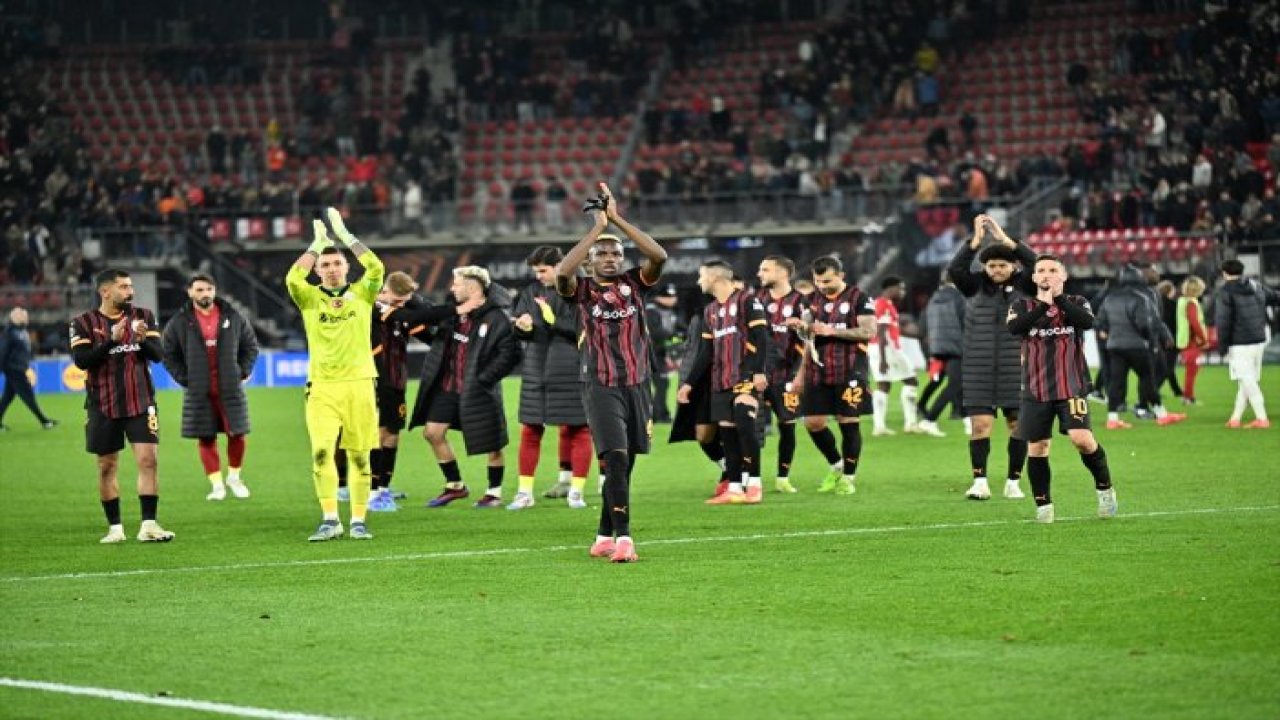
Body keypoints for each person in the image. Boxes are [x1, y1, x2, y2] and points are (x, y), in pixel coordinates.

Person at [555, 182, 668, 564]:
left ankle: (603, 535)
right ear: (590, 261)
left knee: (627, 463)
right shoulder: (581, 290)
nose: (609, 258)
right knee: (615, 460)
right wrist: (597, 229)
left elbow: (658, 255)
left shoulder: (635, 284)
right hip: (601, 385)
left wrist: (617, 220)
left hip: (637, 384)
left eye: (615, 253)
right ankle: (624, 539)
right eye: (601, 253)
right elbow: (562, 272)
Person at [285, 209, 385, 541]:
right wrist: (316, 245)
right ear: (317, 270)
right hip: (322, 387)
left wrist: (345, 236)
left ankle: (358, 520)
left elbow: (376, 267)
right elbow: (292, 279)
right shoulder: (309, 298)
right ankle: (330, 519)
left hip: (360, 384)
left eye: (336, 263)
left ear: (346, 267)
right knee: (321, 453)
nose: (331, 269)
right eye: (324, 264)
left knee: (359, 456)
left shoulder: (363, 293)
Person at [1007, 254, 1117, 524]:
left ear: (1064, 276)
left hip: (1071, 385)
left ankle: (1105, 489)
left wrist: (1058, 299)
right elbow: (1015, 328)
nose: (1046, 274)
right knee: (1038, 447)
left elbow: (1087, 322)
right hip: (1036, 389)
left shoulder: (1077, 302)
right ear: (1034, 277)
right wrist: (1044, 306)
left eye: (1053, 270)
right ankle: (1044, 505)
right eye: (1041, 270)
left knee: (1082, 440)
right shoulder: (1021, 305)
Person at [70, 269, 173, 543]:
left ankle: (149, 525)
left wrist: (141, 341)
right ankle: (115, 528)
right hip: (102, 404)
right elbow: (82, 361)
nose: (131, 291)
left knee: (149, 460)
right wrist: (111, 341)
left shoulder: (144, 316)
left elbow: (158, 355)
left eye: (131, 286)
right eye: (124, 287)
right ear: (105, 291)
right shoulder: (82, 323)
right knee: (107, 466)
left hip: (141, 401)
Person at [407, 266, 521, 508]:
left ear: (472, 287)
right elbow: (434, 322)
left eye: (456, 284)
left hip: (479, 389)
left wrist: (484, 379)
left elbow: (510, 354)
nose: (452, 288)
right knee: (432, 433)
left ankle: (494, 492)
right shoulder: (454, 312)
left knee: (492, 443)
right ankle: (455, 486)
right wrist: (410, 299)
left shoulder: (496, 317)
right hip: (448, 386)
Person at [946, 214, 1031, 502]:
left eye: (1002, 265)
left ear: (1013, 266)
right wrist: (975, 242)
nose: (996, 270)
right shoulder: (974, 285)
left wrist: (1008, 241)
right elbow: (955, 268)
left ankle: (1013, 482)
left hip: (1016, 368)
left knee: (1017, 426)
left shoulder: (1027, 285)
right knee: (980, 426)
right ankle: (980, 482)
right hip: (978, 368)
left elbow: (1037, 265)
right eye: (992, 265)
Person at [161, 273, 260, 501]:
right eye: (199, 290)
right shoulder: (179, 322)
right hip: (199, 391)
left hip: (230, 388)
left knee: (238, 434)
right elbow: (168, 354)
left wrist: (242, 371)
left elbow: (250, 346)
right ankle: (217, 485)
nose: (205, 294)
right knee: (205, 437)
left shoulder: (233, 316)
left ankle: (234, 477)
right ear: (190, 292)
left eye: (208, 289)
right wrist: (184, 378)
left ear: (214, 291)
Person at [679, 261, 769, 505]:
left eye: (701, 276)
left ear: (715, 277)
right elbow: (706, 352)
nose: (699, 281)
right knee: (728, 434)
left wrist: (758, 371)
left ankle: (755, 484)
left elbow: (761, 337)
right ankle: (735, 487)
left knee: (744, 423)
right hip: (721, 379)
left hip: (745, 374)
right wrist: (688, 383)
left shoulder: (748, 301)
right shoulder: (710, 311)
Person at [510, 246, 592, 510]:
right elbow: (520, 327)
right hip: (536, 371)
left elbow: (584, 331)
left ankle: (576, 493)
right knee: (530, 430)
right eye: (536, 271)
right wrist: (522, 327)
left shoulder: (581, 291)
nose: (539, 276)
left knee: (579, 429)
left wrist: (552, 321)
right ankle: (524, 493)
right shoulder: (531, 292)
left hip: (571, 370)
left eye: (543, 270)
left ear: (560, 266)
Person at [785, 255, 875, 496]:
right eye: (817, 281)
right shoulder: (811, 300)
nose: (822, 286)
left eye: (827, 281)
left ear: (841, 276)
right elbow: (809, 337)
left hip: (850, 368)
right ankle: (837, 465)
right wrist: (801, 328)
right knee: (813, 422)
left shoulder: (859, 298)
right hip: (819, 368)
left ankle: (848, 478)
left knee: (848, 421)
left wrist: (832, 330)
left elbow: (869, 331)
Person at [366, 271, 431, 511]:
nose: (401, 306)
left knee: (393, 433)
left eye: (404, 301)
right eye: (396, 300)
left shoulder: (403, 313)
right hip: (373, 380)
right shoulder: (371, 309)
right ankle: (372, 491)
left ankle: (384, 489)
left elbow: (429, 335)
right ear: (384, 292)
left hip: (397, 381)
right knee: (376, 433)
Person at [1095, 266, 1185, 429]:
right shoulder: (1142, 298)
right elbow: (1146, 323)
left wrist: (1105, 331)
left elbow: (1099, 321)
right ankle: (1161, 414)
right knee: (1147, 379)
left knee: (1116, 382)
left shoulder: (1110, 298)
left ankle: (1112, 419)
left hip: (1115, 346)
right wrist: (1153, 341)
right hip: (1137, 346)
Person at [754, 254, 806, 493]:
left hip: (786, 375)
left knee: (787, 425)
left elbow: (812, 341)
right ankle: (748, 478)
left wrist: (804, 327)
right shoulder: (756, 300)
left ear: (783, 273)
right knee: (747, 428)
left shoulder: (801, 303)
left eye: (765, 269)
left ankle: (783, 477)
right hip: (756, 374)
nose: (760, 274)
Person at [1216, 259, 1279, 428]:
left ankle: (1262, 418)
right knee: (1246, 381)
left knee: (1247, 380)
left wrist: (1222, 346)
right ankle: (1235, 418)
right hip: (1259, 339)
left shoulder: (1225, 292)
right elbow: (1275, 297)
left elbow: (1223, 321)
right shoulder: (1255, 285)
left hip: (1239, 342)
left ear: (1224, 273)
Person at [868, 276, 922, 436]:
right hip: (887, 349)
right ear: (891, 288)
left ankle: (879, 426)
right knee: (911, 380)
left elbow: (893, 329)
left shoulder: (882, 303)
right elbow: (882, 332)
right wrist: (883, 360)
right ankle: (910, 423)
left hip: (879, 348)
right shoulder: (883, 305)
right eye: (901, 288)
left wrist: (918, 335)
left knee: (883, 385)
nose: (903, 292)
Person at [915, 273, 966, 437]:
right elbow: (967, 321)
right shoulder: (959, 298)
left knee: (939, 380)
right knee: (955, 384)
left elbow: (924, 323)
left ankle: (964, 416)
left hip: (937, 347)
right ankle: (929, 419)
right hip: (956, 346)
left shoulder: (934, 298)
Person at [0, 307, 57, 431]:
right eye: (22, 315)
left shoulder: (21, 331)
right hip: (14, 369)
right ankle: (44, 421)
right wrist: (3, 368)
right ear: (14, 317)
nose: (25, 317)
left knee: (7, 398)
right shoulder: (10, 332)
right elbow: (3, 352)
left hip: (18, 368)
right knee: (28, 396)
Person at [646, 284, 683, 423]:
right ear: (659, 297)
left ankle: (659, 415)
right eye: (668, 296)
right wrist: (674, 336)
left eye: (673, 296)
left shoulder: (669, 311)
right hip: (648, 354)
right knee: (660, 384)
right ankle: (659, 415)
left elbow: (680, 328)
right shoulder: (651, 310)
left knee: (663, 384)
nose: (672, 299)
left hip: (660, 353)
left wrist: (680, 334)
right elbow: (655, 332)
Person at [1175, 275, 1209, 405]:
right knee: (1192, 371)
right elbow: (1195, 323)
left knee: (1190, 371)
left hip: (1184, 339)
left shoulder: (1181, 301)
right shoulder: (1191, 303)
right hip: (1191, 341)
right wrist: (1204, 339)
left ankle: (1188, 397)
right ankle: (1188, 398)